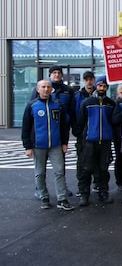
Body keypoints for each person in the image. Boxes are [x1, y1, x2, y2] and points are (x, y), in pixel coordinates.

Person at [22, 80, 74, 210]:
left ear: (52, 90)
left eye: (48, 87)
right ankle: (44, 197)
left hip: (56, 145)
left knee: (59, 171)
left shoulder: (58, 105)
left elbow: (63, 126)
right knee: (40, 173)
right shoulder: (32, 106)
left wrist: (64, 143)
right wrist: (27, 146)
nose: (46, 89)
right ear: (38, 89)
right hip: (38, 145)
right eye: (43, 87)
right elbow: (26, 127)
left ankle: (62, 199)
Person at [31, 65, 75, 198]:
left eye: (59, 73)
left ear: (62, 75)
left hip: (60, 131)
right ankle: (40, 190)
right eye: (54, 73)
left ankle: (63, 188)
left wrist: (72, 125)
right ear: (50, 75)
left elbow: (72, 110)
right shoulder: (41, 88)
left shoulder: (68, 90)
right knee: (40, 167)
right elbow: (32, 109)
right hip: (41, 133)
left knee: (60, 165)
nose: (56, 75)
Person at [76, 76, 115, 205]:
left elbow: (113, 122)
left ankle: (103, 192)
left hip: (105, 141)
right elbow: (80, 122)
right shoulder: (87, 102)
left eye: (104, 86)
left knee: (103, 169)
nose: (102, 88)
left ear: (107, 88)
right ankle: (84, 194)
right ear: (96, 87)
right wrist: (81, 139)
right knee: (86, 169)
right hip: (89, 141)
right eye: (100, 86)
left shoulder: (110, 103)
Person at [72, 70, 96, 197]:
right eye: (86, 79)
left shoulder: (99, 95)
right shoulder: (77, 96)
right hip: (83, 134)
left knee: (97, 161)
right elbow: (73, 114)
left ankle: (97, 184)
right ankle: (81, 187)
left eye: (91, 79)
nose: (89, 82)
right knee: (82, 162)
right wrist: (77, 130)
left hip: (96, 134)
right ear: (83, 81)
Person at [112, 84, 122, 191]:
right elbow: (115, 120)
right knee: (120, 158)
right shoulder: (116, 104)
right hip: (118, 136)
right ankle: (119, 181)